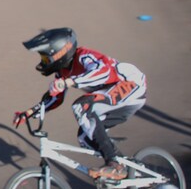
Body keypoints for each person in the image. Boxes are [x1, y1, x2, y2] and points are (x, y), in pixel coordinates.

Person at [13, 28, 147, 180]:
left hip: (131, 85)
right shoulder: (62, 71)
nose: (43, 62)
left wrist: (69, 81)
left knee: (81, 106)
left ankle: (114, 165)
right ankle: (126, 170)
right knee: (85, 137)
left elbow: (104, 72)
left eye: (45, 58)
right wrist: (30, 113)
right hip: (114, 95)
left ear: (59, 53)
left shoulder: (84, 56)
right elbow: (55, 99)